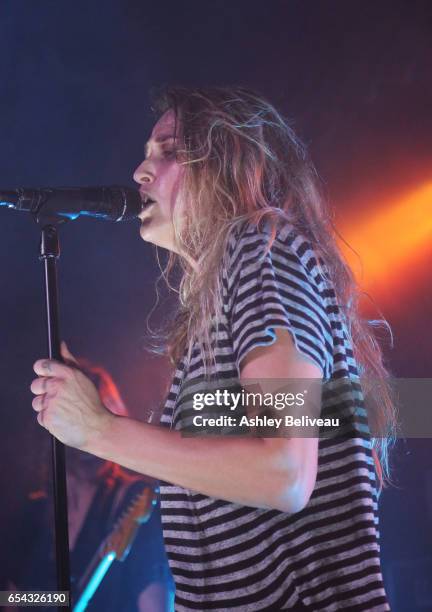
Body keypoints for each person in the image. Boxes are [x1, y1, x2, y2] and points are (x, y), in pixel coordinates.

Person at [30, 87, 397, 611]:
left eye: (169, 150)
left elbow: (284, 474)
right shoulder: (225, 297)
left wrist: (100, 430)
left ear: (228, 167)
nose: (140, 170)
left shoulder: (261, 251)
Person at [6, 362, 174, 612]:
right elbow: (8, 598)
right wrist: (58, 599)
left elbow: (155, 603)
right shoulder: (34, 511)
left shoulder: (133, 500)